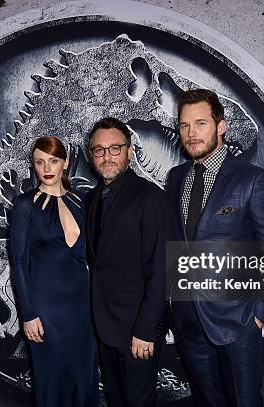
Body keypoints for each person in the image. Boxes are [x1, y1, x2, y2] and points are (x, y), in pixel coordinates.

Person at [165, 89, 264, 407]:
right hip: (187, 320)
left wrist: (260, 316)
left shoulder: (254, 180)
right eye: (184, 126)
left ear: (221, 126)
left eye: (201, 123)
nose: (191, 134)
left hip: (238, 321)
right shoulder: (176, 178)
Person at [10, 136, 98, 407]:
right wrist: (29, 314)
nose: (47, 167)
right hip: (46, 311)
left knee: (85, 381)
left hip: (83, 309)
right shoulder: (25, 206)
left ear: (65, 164)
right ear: (33, 166)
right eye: (39, 162)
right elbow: (19, 263)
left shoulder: (83, 201)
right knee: (52, 384)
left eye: (53, 161)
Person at [85, 117, 167, 407]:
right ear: (91, 155)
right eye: (99, 150)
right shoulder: (92, 199)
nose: (107, 156)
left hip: (137, 330)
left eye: (115, 148)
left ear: (130, 151)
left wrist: (146, 329)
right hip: (105, 327)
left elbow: (161, 270)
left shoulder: (151, 198)